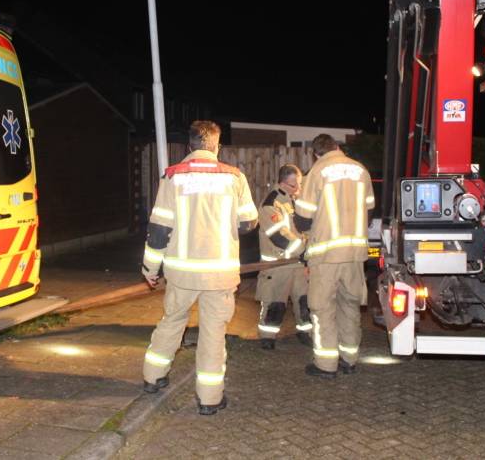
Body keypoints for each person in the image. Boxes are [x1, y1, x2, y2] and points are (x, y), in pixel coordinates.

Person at [141, 120, 258, 415]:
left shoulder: (173, 176)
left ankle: (152, 378)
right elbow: (249, 223)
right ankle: (209, 399)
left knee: (171, 322)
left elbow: (158, 229)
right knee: (213, 334)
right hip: (219, 273)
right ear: (216, 145)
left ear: (189, 145)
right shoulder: (234, 177)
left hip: (181, 273)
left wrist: (150, 268)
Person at [294, 134, 374, 377]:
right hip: (355, 254)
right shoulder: (361, 170)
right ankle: (349, 359)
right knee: (349, 305)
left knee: (322, 308)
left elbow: (302, 219)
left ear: (315, 153)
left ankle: (326, 365)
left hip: (326, 255)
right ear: (338, 148)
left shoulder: (316, 172)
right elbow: (370, 210)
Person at [256, 164, 311, 349]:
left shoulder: (292, 200)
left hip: (297, 264)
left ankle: (306, 332)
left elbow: (302, 228)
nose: (299, 189)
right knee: (275, 303)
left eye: (299, 185)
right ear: (283, 183)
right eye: (295, 185)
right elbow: (279, 235)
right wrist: (303, 250)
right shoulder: (270, 204)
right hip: (277, 265)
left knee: (304, 302)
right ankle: (267, 338)